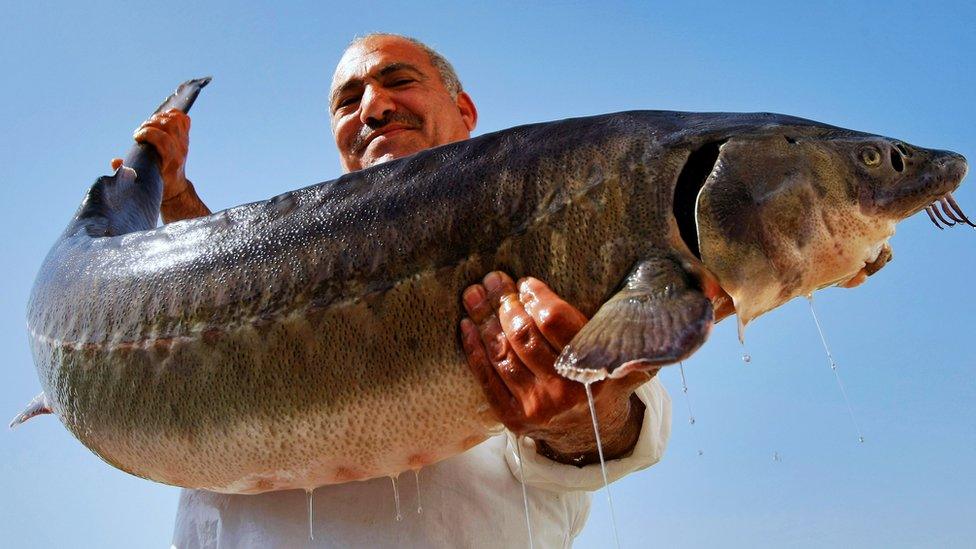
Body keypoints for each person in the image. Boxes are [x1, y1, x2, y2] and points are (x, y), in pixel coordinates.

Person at [115, 33, 671, 548]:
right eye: (347, 100)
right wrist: (176, 199)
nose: (374, 106)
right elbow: (238, 308)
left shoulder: (557, 232)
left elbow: (622, 431)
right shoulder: (301, 251)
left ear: (465, 110)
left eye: (399, 81)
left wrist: (583, 420)